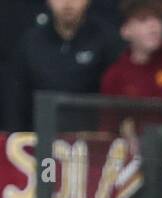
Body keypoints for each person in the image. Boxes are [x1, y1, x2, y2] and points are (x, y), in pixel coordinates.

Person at [7, 0, 119, 133]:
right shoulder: (30, 43)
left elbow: (115, 100)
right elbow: (15, 101)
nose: (67, 3)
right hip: (39, 139)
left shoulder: (107, 41)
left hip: (91, 141)